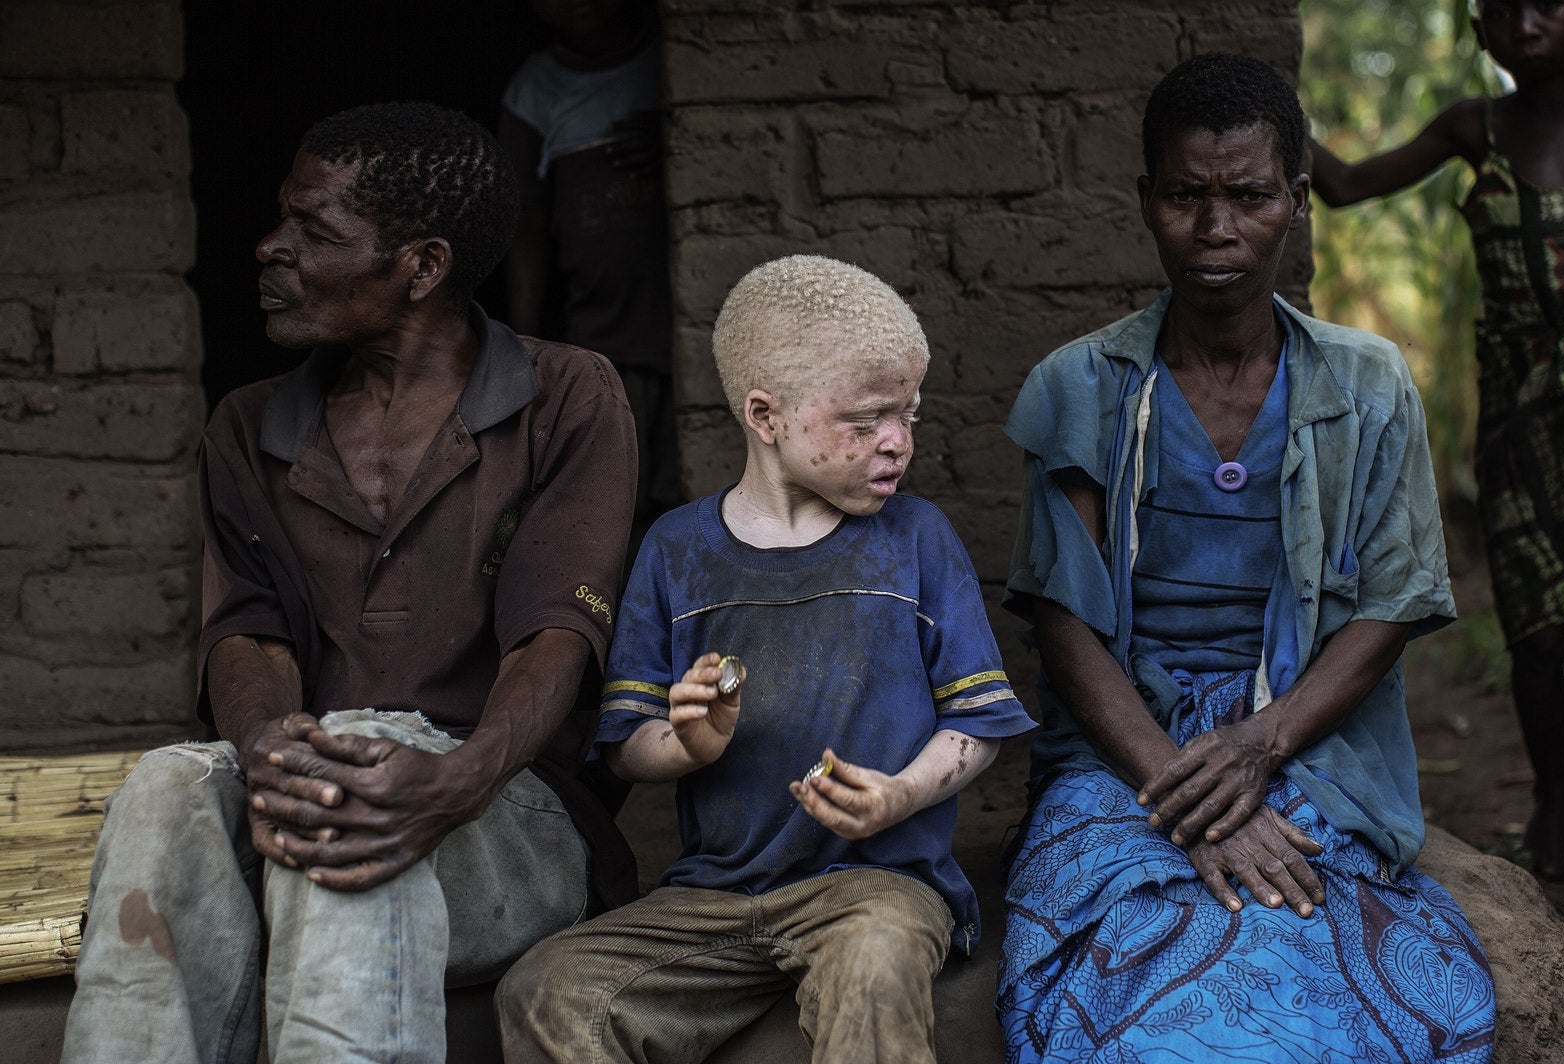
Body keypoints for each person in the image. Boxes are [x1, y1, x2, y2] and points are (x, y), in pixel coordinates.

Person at [61, 102, 638, 1063]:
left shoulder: (566, 395)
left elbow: (555, 636)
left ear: (422, 266)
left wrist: (454, 781)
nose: (270, 248)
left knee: (355, 775)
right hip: (318, 805)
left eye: (314, 232)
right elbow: (250, 635)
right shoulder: (248, 427)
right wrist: (266, 747)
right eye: (283, 221)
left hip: (506, 813)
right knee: (169, 784)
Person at [996, 54, 1497, 1061]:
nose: (1216, 228)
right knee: (1133, 993)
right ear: (1145, 201)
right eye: (1186, 196)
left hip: (1310, 738)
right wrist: (1185, 791)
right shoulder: (1082, 386)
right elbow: (1064, 621)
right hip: (1127, 752)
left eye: (1248, 196)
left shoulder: (1366, 385)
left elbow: (1391, 603)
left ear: (1297, 202)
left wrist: (1261, 746)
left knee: (1366, 976)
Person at [495, 254, 1037, 1063]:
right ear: (765, 414)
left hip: (875, 889)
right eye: (864, 421)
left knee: (877, 955)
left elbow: (977, 720)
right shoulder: (676, 551)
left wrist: (901, 794)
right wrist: (688, 743)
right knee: (549, 987)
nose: (896, 443)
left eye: (909, 416)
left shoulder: (917, 541)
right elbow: (630, 744)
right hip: (714, 899)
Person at [1310, 0, 1564, 884]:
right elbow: (1348, 186)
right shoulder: (1479, 129)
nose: (1527, 24)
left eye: (1549, 2)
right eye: (1503, 11)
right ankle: (1553, 798)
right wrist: (1271, 106)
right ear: (1480, 34)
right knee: (1539, 634)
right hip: (1520, 423)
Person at [500, 0, 680, 550]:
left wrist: (677, 141)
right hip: (604, 333)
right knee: (618, 511)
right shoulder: (533, 94)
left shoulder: (673, 62)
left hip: (689, 331)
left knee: (693, 495)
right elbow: (523, 233)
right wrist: (522, 353)